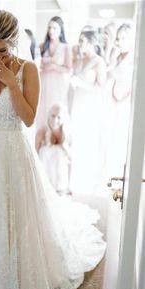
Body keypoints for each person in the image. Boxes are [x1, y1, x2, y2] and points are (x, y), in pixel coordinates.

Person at [0, 10, 106, 289]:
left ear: (14, 44)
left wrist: (12, 83)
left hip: (13, 152)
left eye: (2, 50)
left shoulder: (29, 69)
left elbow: (28, 119)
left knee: (16, 216)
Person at [69, 29, 106, 194]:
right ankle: (73, 180)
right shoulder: (79, 60)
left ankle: (87, 180)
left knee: (87, 141)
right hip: (76, 102)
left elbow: (101, 88)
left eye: (82, 40)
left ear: (91, 42)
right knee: (75, 139)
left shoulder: (99, 62)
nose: (79, 43)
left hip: (89, 105)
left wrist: (82, 84)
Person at [105, 23, 135, 179]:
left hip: (125, 103)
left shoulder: (134, 59)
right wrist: (111, 53)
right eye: (118, 38)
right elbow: (108, 74)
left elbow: (135, 85)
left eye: (124, 38)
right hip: (111, 101)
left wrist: (122, 100)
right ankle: (111, 173)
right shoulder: (116, 56)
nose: (120, 41)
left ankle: (123, 174)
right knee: (110, 138)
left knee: (122, 138)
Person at [35, 16, 72, 130]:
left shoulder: (66, 47)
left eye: (54, 28)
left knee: (56, 110)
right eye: (49, 27)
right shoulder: (42, 46)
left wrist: (54, 66)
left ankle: (55, 139)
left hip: (58, 85)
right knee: (42, 110)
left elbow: (68, 69)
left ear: (61, 30)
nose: (51, 31)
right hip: (43, 83)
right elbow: (36, 64)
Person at [36, 104, 72, 196]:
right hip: (44, 181)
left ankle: (61, 190)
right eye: (53, 116)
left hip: (61, 184)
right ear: (48, 116)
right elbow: (35, 157)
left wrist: (70, 185)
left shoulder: (66, 134)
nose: (55, 120)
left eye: (59, 117)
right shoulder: (41, 132)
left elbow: (70, 161)